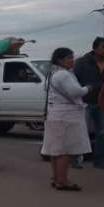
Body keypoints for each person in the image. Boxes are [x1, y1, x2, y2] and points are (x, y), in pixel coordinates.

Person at [41, 48, 91, 191]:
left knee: (55, 150)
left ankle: (56, 178)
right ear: (60, 60)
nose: (72, 60)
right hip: (66, 116)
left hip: (54, 114)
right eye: (69, 57)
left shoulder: (52, 74)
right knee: (65, 150)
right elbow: (75, 92)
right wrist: (88, 88)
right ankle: (63, 181)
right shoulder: (63, 75)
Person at [73, 37, 104, 169]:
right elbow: (75, 81)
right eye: (103, 46)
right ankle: (76, 160)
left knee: (102, 133)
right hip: (85, 102)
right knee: (81, 132)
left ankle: (99, 161)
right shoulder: (82, 62)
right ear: (95, 48)